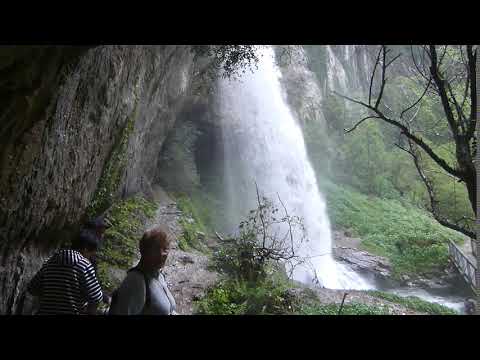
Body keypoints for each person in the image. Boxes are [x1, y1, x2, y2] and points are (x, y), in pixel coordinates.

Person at [27, 229, 103, 315]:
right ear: (85, 249)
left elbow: (32, 288)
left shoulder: (50, 261)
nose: (90, 257)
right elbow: (96, 297)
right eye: (91, 253)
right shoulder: (84, 265)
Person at [108, 226, 177, 315]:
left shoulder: (159, 276)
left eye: (165, 249)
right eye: (156, 249)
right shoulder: (135, 280)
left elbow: (168, 310)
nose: (161, 254)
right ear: (144, 250)